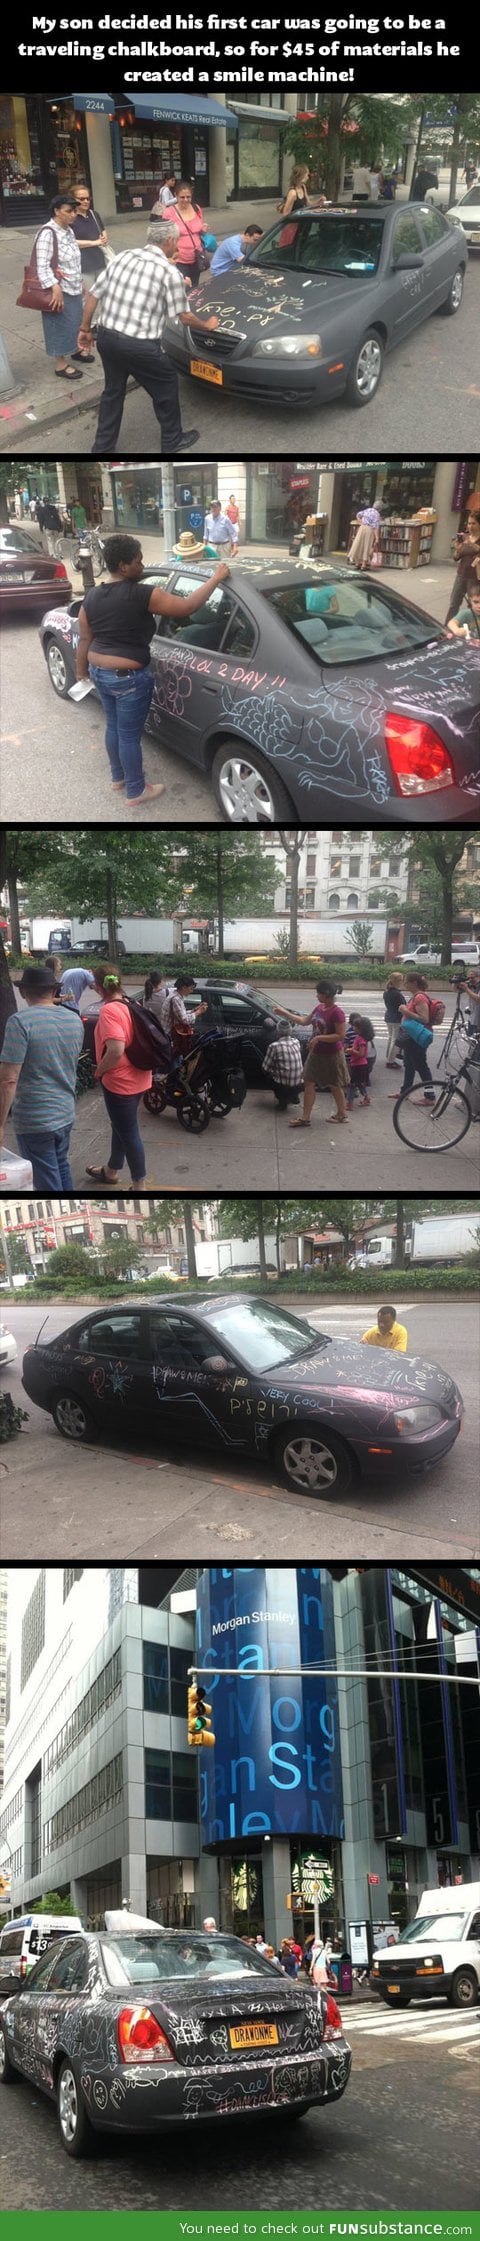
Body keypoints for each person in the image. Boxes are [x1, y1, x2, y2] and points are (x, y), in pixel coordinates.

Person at [75, 533, 231, 807]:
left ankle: (118, 778)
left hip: (99, 671)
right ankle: (136, 791)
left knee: (114, 727)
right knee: (128, 736)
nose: (143, 566)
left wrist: (81, 672)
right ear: (123, 566)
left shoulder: (92, 596)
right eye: (138, 561)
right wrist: (216, 578)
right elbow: (187, 607)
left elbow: (85, 638)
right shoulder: (143, 594)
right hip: (129, 680)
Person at [76, 221, 221, 456]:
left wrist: (84, 329)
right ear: (170, 242)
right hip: (139, 345)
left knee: (113, 392)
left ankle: (102, 447)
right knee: (165, 384)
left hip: (107, 338)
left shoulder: (123, 257)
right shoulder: (169, 272)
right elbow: (184, 317)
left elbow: (94, 294)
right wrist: (208, 325)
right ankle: (172, 441)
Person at [0, 965, 84, 1190]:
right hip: (65, 1112)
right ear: (54, 991)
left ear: (23, 991)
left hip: (35, 1118)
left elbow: (9, 1080)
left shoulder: (20, 1022)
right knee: (60, 1165)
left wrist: (0, 1125)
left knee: (47, 1179)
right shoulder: (74, 1020)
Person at [85, 965, 152, 1188]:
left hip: (120, 1082)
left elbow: (115, 1050)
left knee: (129, 1133)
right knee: (121, 1126)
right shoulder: (131, 1003)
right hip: (140, 1077)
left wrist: (99, 1070)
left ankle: (139, 1185)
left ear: (97, 986)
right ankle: (111, 1171)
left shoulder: (110, 1010)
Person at [285, 979, 349, 1129]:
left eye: (318, 993)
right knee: (308, 1082)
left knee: (334, 1085)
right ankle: (305, 1118)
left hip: (332, 1054)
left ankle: (342, 1114)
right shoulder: (319, 1008)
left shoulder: (337, 1012)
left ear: (326, 995)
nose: (316, 996)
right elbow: (304, 1021)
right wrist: (284, 1013)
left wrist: (319, 1037)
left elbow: (340, 1035)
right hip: (316, 1053)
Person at [35, 194, 85, 382]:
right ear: (56, 211)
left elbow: (73, 258)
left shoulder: (68, 231)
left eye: (74, 211)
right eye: (68, 211)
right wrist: (54, 286)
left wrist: (80, 282)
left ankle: (76, 349)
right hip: (58, 288)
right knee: (59, 324)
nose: (73, 215)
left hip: (73, 284)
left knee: (75, 321)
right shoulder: (48, 233)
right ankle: (60, 364)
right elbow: (42, 265)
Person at [71, 185, 110, 362]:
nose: (85, 201)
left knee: (103, 295)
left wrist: (103, 238)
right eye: (81, 199)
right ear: (74, 200)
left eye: (87, 198)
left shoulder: (94, 215)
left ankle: (99, 326)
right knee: (87, 299)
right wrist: (94, 242)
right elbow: (72, 242)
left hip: (99, 261)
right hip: (83, 264)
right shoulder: (71, 218)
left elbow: (102, 231)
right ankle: (89, 327)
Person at [154, 179, 205, 283]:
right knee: (182, 289)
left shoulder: (197, 208)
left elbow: (199, 230)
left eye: (188, 197)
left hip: (197, 258)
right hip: (179, 260)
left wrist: (203, 229)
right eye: (182, 197)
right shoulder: (169, 213)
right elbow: (163, 238)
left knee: (194, 288)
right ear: (175, 195)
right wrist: (167, 258)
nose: (185, 200)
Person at [395, 971, 435, 1101]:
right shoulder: (415, 996)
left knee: (421, 1065)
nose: (404, 984)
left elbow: (424, 1019)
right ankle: (405, 1092)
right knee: (408, 1064)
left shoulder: (420, 997)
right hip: (411, 1037)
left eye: (406, 981)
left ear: (414, 983)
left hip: (418, 1037)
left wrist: (405, 1010)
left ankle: (430, 1096)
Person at [445, 496, 480, 623]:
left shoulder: (472, 540)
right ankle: (448, 627)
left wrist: (471, 543)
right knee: (454, 603)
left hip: (475, 577)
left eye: (473, 523)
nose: (470, 526)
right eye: (469, 523)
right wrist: (458, 548)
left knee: (473, 606)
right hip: (461, 574)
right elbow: (456, 558)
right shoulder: (466, 537)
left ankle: (472, 629)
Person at [261, 1021, 304, 1111]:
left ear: (277, 1032)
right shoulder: (296, 1042)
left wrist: (273, 1069)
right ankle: (294, 1096)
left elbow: (265, 1068)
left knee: (267, 1076)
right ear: (290, 1031)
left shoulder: (274, 1046)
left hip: (284, 1087)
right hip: (300, 1084)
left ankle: (282, 1102)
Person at [160, 975, 209, 1050]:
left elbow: (180, 1014)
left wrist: (194, 1010)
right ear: (183, 987)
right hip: (170, 1036)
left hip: (170, 1034)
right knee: (175, 1058)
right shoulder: (175, 999)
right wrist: (198, 1012)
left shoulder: (177, 995)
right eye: (191, 988)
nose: (191, 991)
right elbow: (184, 1020)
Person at [345, 1015, 371, 1107]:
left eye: (355, 1027)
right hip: (357, 1064)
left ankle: (349, 1103)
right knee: (359, 1084)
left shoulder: (361, 1039)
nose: (353, 1028)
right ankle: (366, 1098)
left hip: (359, 1065)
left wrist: (351, 1051)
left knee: (352, 1084)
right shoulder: (359, 1038)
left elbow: (361, 1053)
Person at [348, 504, 382, 569]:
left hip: (362, 528)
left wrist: (360, 521)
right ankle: (363, 565)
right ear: (380, 509)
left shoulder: (368, 510)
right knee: (367, 546)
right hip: (369, 529)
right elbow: (376, 527)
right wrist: (377, 538)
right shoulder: (377, 514)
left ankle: (357, 563)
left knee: (359, 544)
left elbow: (358, 514)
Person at [447, 574, 480, 641]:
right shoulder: (466, 613)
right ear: (470, 601)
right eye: (476, 602)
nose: (479, 606)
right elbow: (451, 623)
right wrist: (457, 630)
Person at [383, 972, 406, 1065]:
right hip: (397, 1018)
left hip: (389, 1016)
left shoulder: (386, 992)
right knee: (395, 1039)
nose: (403, 982)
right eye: (401, 980)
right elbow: (403, 1006)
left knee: (390, 1037)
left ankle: (388, 1055)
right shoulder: (397, 994)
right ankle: (391, 1060)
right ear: (398, 981)